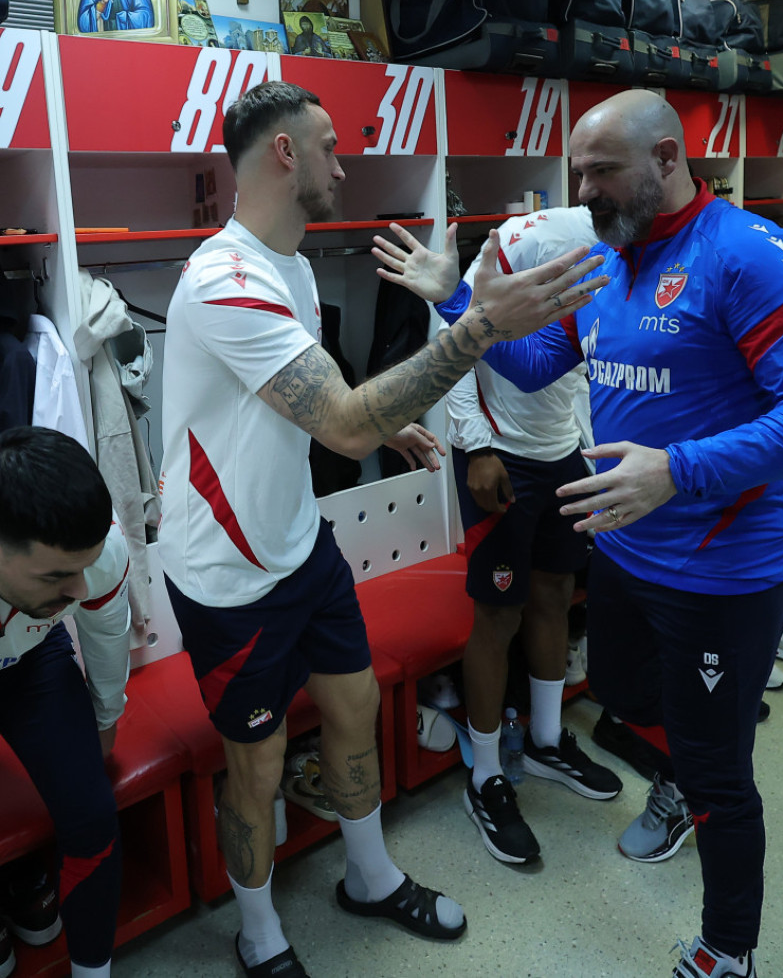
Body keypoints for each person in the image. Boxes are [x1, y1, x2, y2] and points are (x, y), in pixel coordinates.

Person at [373, 89, 783, 978]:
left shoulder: (749, 255)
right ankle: (681, 771)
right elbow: (536, 366)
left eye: (602, 170)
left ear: (668, 158)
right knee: (626, 698)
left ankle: (728, 950)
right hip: (626, 552)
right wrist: (458, 305)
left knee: (720, 774)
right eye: (578, 173)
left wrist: (678, 469)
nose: (585, 190)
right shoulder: (606, 260)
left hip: (721, 571)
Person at [157, 79, 606, 978]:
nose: (343, 164)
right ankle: (259, 935)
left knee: (354, 705)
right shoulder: (221, 280)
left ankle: (369, 877)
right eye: (329, 145)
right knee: (258, 762)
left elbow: (322, 395)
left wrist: (378, 415)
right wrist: (480, 326)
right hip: (229, 572)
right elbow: (343, 427)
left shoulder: (287, 264)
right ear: (285, 152)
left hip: (300, 542)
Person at [444, 208, 620, 866]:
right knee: (498, 614)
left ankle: (545, 740)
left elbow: (577, 361)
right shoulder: (531, 239)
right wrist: (476, 446)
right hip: (500, 454)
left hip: (561, 449)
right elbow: (458, 339)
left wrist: (589, 451)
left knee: (554, 592)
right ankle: (486, 773)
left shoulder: (623, 246)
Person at [0, 426, 130, 978]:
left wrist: (106, 716)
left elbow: (106, 633)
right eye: (56, 575)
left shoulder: (100, 555)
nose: (79, 590)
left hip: (31, 662)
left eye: (84, 567)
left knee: (92, 815)